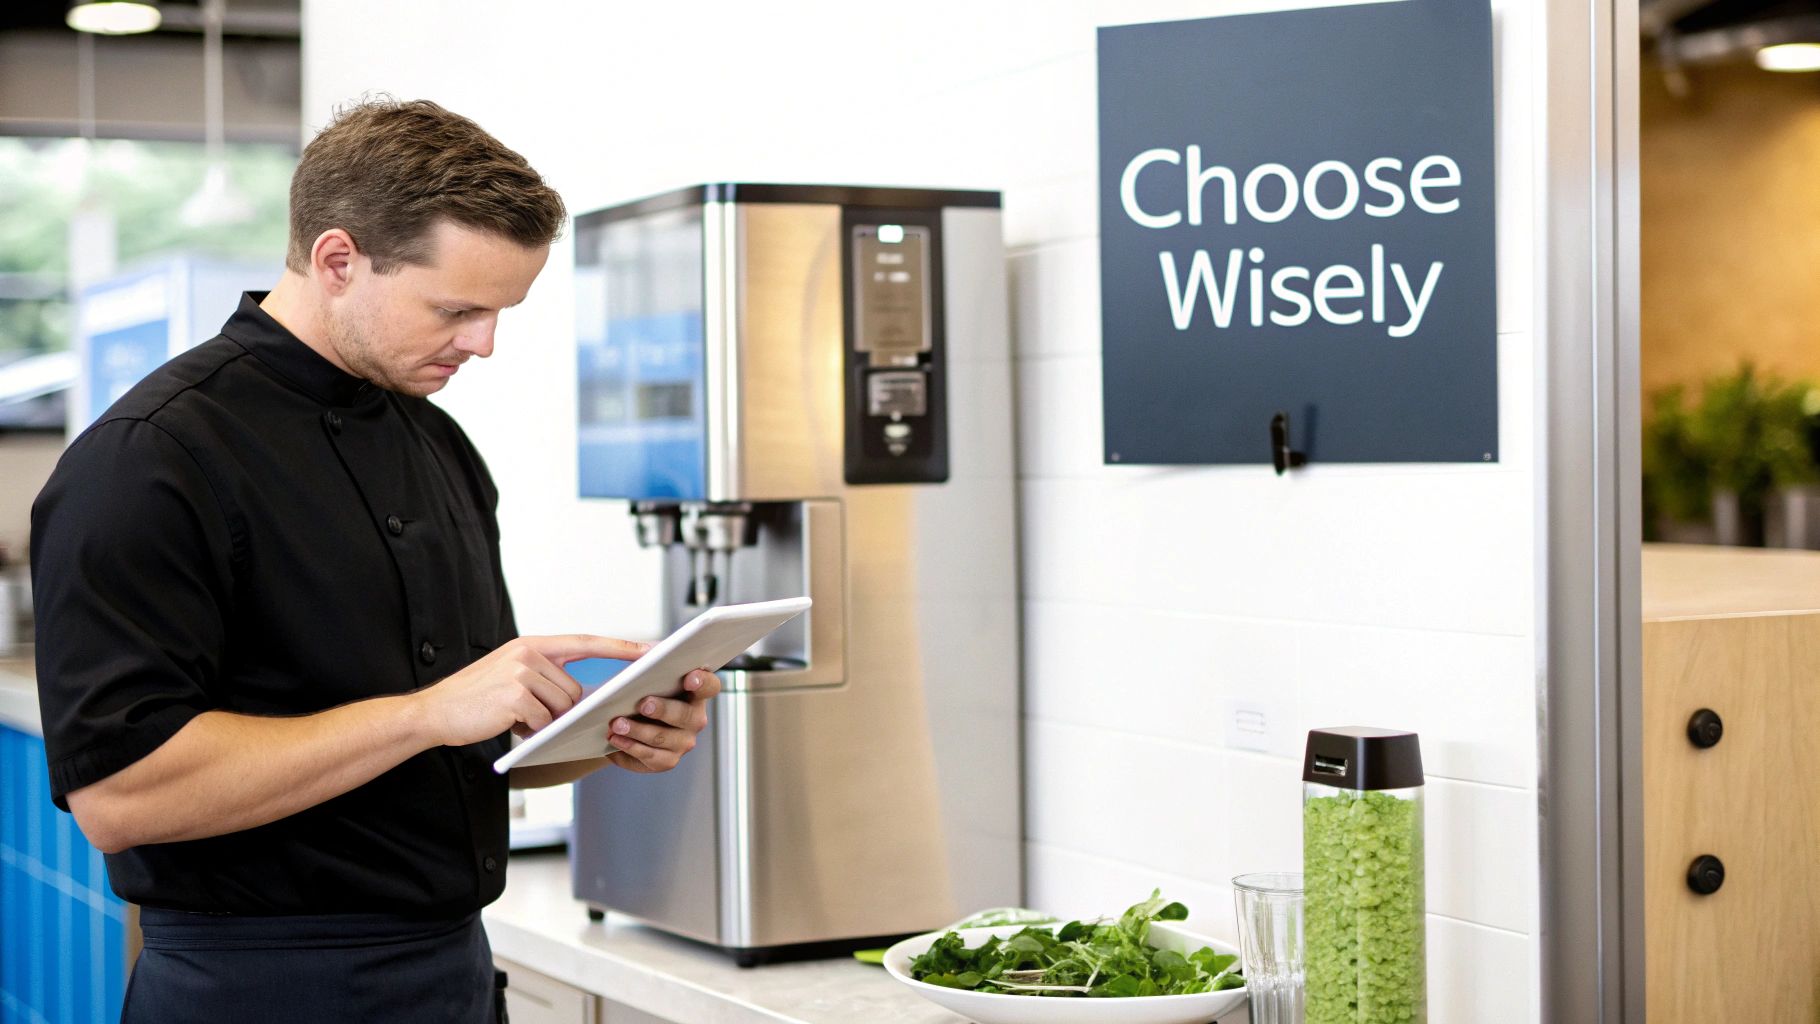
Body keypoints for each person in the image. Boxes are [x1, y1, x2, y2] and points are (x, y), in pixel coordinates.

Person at [29, 99, 718, 1023]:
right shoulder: (149, 459)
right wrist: (426, 712)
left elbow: (454, 749)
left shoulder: (440, 446)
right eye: (458, 309)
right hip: (260, 992)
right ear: (339, 260)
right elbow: (118, 793)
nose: (484, 343)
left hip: (455, 978)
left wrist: (601, 738)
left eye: (500, 312)